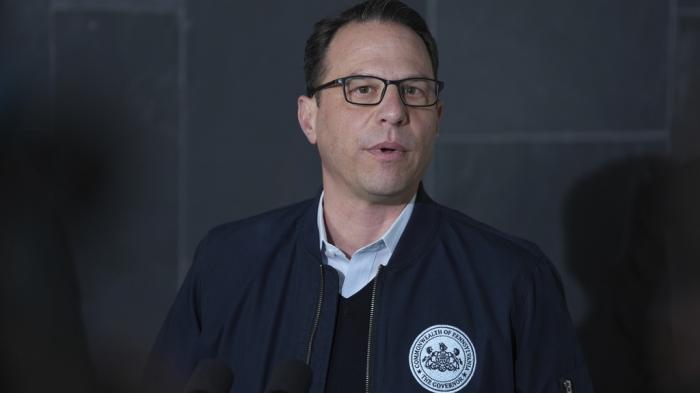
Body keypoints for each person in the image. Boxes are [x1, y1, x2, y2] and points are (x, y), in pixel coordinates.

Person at [142, 1, 594, 392]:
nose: (394, 112)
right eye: (362, 90)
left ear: (436, 118)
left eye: (413, 91)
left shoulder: (513, 280)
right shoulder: (227, 265)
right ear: (309, 118)